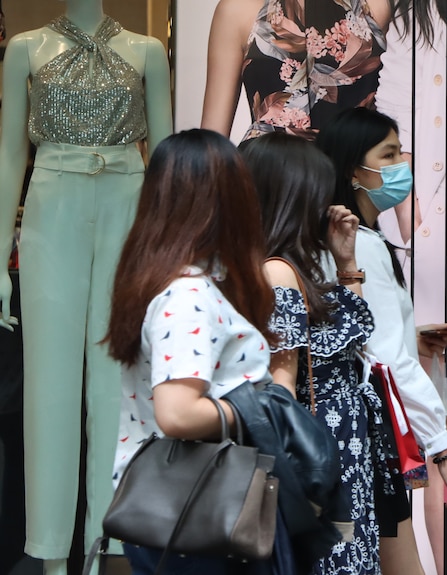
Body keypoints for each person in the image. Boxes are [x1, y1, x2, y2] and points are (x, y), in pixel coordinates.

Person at [0, 1, 172, 571]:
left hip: (129, 197)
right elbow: (8, 155)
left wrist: (168, 254)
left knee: (118, 380)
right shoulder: (25, 47)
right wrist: (0, 256)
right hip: (52, 200)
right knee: (48, 388)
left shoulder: (149, 52)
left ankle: (112, 544)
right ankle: (51, 554)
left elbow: (165, 160)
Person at [102, 129, 276, 573]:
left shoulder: (167, 282)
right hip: (197, 511)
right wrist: (263, 405)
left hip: (181, 506)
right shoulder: (188, 296)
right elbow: (178, 415)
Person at [317, 107, 447, 575]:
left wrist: (412, 336)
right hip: (369, 433)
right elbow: (385, 355)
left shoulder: (354, 239)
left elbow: (365, 336)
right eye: (387, 155)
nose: (399, 165)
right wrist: (443, 450)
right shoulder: (361, 245)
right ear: (353, 170)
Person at [240, 132, 385, 575]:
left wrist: (346, 263)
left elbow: (354, 337)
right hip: (319, 451)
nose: (327, 206)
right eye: (318, 194)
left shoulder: (280, 266)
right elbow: (281, 386)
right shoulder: (277, 272)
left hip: (338, 447)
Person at [374, 3, 447, 571]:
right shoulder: (406, 21)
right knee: (423, 400)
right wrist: (408, 229)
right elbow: (396, 125)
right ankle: (426, 561)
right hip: (421, 241)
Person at [201, 0, 392, 140]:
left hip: (354, 175)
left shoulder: (377, 6)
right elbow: (212, 138)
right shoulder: (238, 9)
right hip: (270, 175)